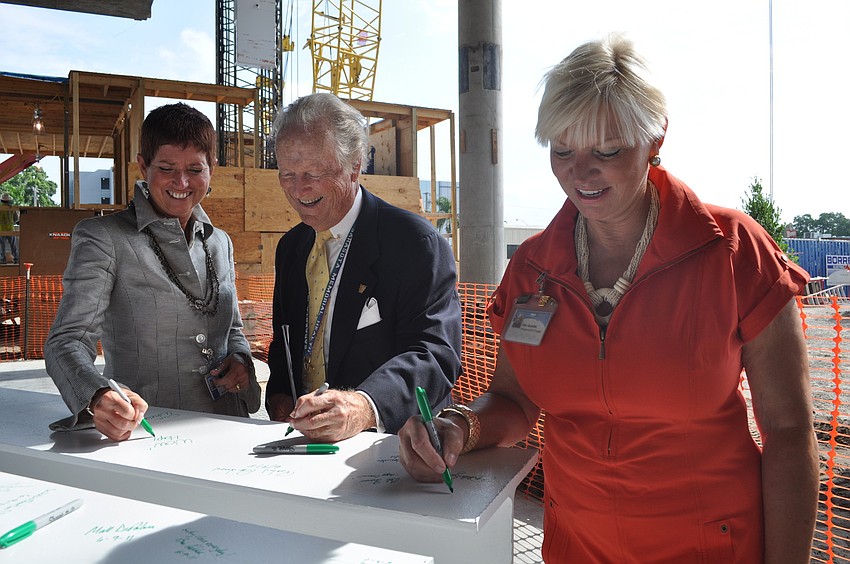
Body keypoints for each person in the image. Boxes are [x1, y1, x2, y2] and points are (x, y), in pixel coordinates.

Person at [399, 35, 818, 562]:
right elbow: (514, 400)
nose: (579, 173)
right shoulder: (531, 268)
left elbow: (789, 432)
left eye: (607, 150)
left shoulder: (735, 253)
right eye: (562, 150)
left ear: (655, 137)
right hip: (577, 549)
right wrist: (461, 424)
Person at [45, 102, 260, 441]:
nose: (182, 181)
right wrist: (97, 396)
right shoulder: (104, 238)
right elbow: (67, 341)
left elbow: (232, 329)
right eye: (166, 167)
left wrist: (240, 361)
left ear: (212, 169)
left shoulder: (220, 243)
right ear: (143, 166)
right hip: (146, 433)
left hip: (227, 427)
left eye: (195, 168)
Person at [265, 93, 462, 443]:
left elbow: (435, 356)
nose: (298, 189)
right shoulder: (291, 248)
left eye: (313, 173)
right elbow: (286, 342)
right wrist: (280, 396)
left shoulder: (414, 244)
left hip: (390, 452)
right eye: (287, 175)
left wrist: (363, 406)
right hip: (304, 448)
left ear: (355, 166)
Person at [0, 192, 18, 264]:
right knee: (13, 245)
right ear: (8, 200)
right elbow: (16, 219)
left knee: (2, 246)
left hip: (1, 229)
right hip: (10, 229)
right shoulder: (12, 208)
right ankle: (16, 259)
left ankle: (2, 260)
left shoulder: (0, 208)